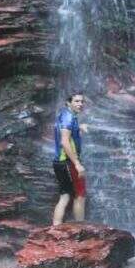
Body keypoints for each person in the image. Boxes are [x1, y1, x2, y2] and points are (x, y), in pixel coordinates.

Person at [52, 92, 88, 225]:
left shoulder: (64, 114)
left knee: (65, 196)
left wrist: (79, 128)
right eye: (77, 101)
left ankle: (55, 229)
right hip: (68, 162)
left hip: (59, 162)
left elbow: (64, 131)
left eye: (82, 101)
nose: (80, 104)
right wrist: (77, 164)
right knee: (80, 195)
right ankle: (80, 229)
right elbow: (65, 142)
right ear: (68, 103)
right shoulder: (69, 117)